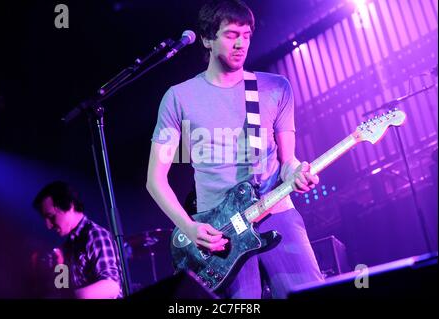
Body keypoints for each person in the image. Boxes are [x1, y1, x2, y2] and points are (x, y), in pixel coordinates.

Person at [146, 0, 324, 298]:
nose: (241, 43)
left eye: (246, 35)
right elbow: (155, 179)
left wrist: (297, 172)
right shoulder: (178, 97)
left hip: (275, 210)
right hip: (219, 231)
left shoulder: (276, 88)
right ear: (207, 39)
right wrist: (188, 227)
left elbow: (288, 160)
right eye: (231, 35)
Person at [32, 181, 123, 299]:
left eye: (51, 216)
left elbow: (111, 287)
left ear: (69, 206)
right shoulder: (67, 245)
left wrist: (67, 296)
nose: (48, 226)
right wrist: (57, 269)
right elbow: (62, 288)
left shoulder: (95, 236)